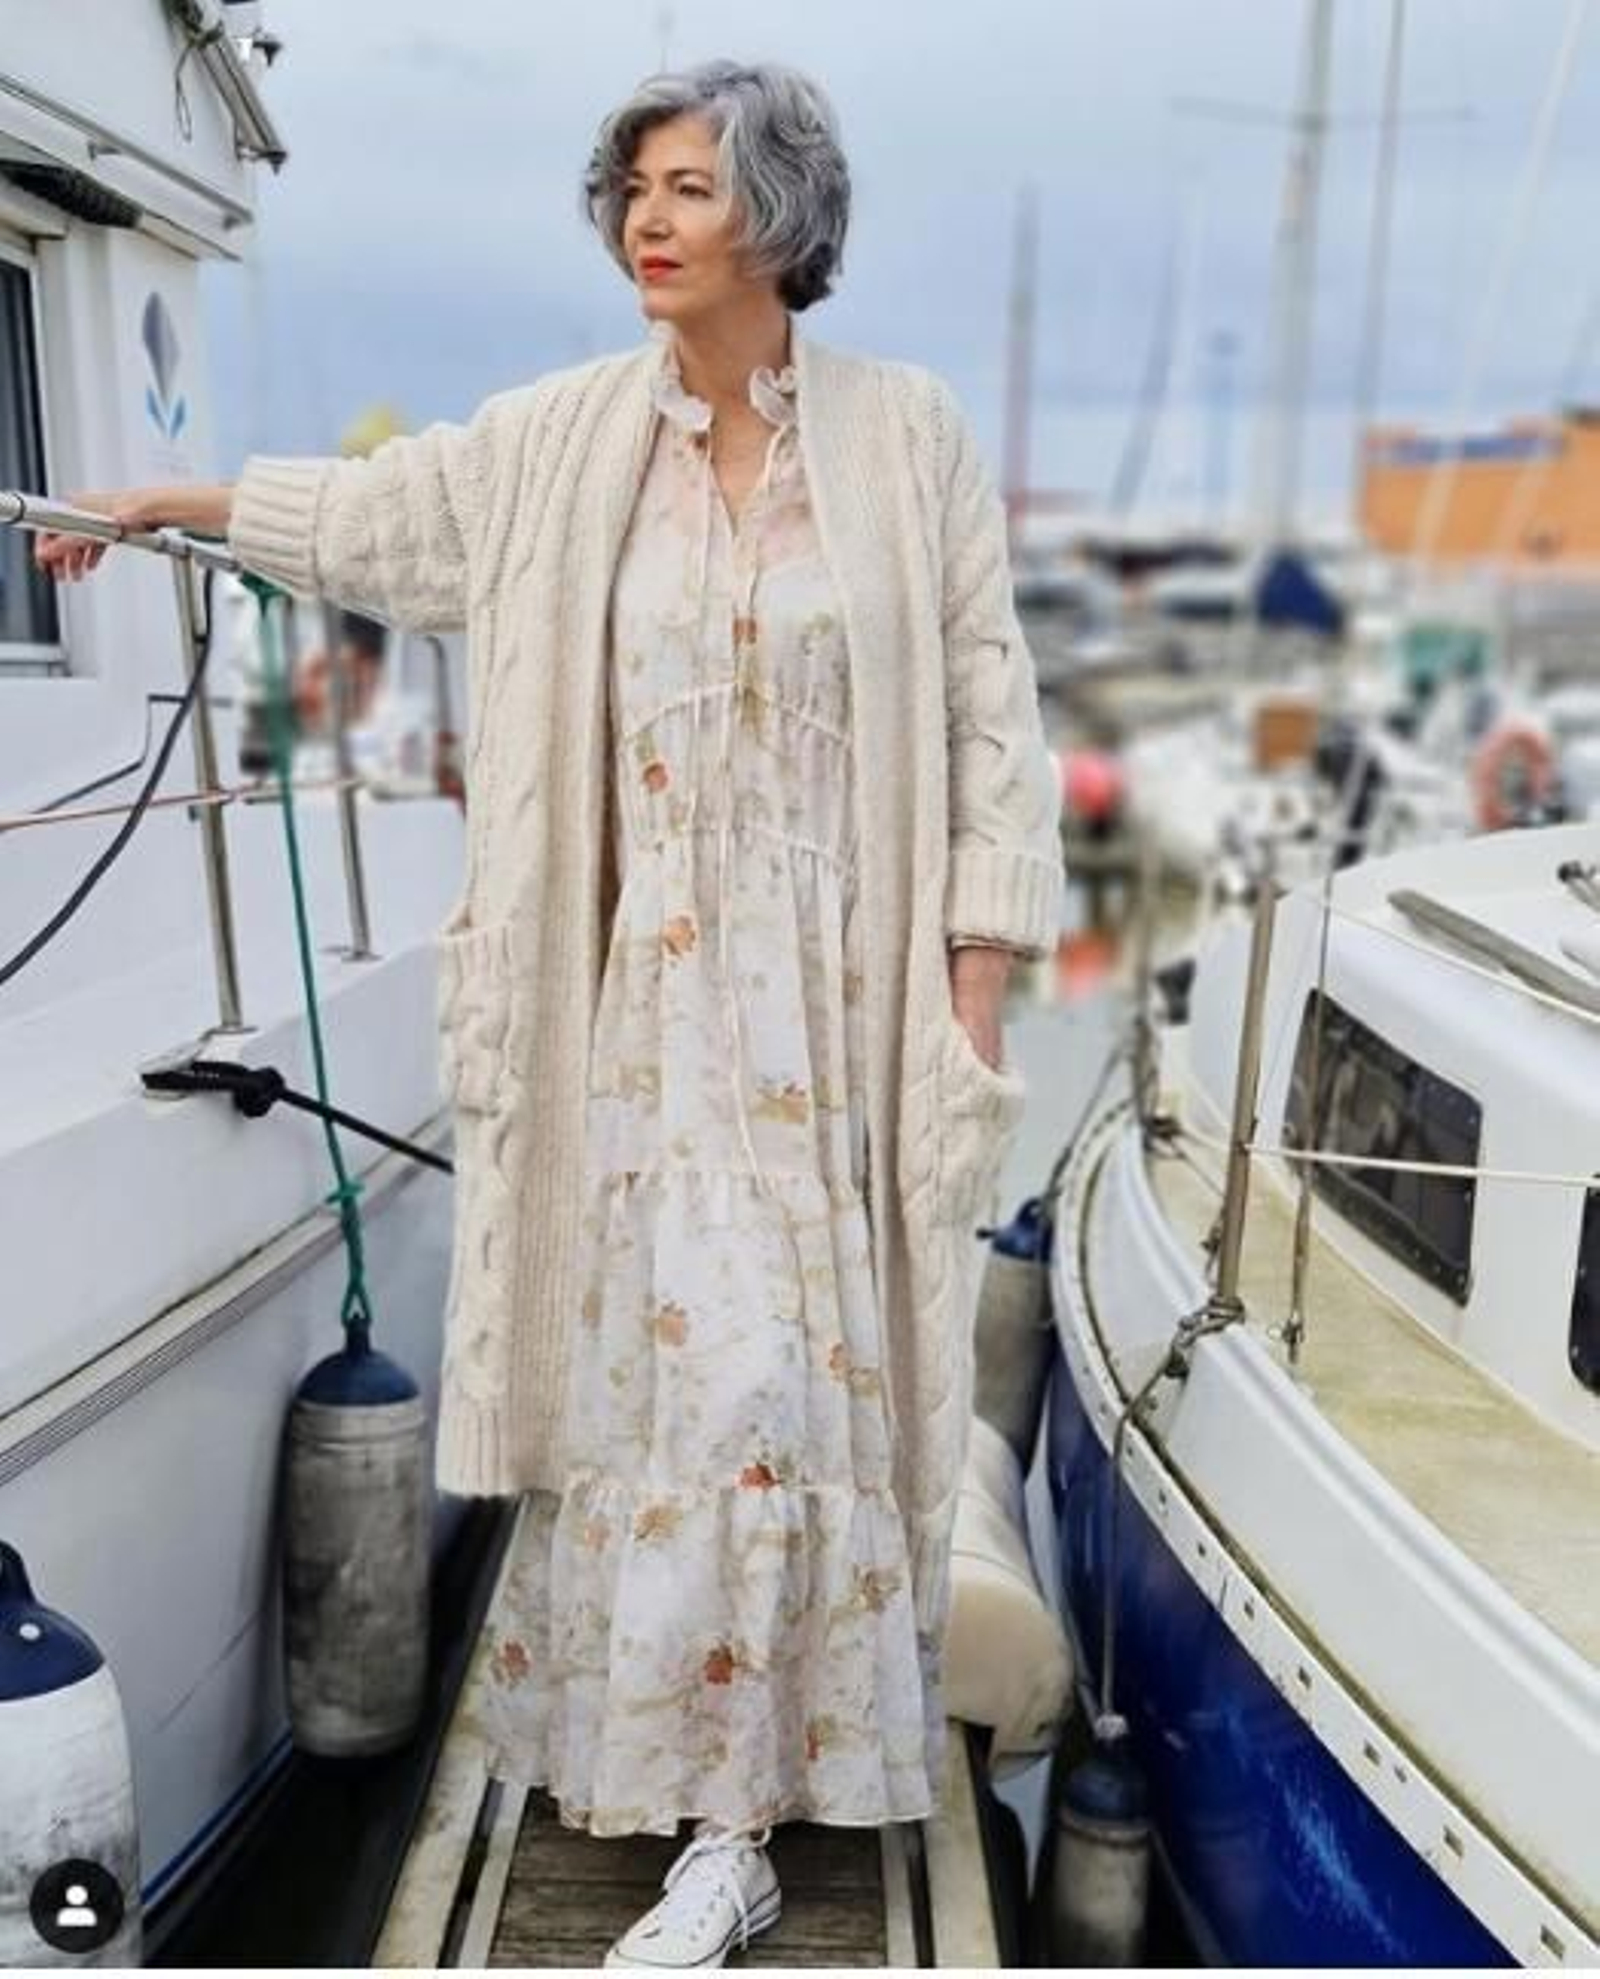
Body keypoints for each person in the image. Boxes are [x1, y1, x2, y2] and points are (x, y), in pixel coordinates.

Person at [35, 58, 1064, 1969]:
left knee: (794, 1393)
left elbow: (991, 717)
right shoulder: (567, 438)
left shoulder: (903, 441)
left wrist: (973, 988)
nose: (646, 222)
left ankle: (745, 1814)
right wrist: (156, 494)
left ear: (776, 212)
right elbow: (374, 520)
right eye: (631, 193)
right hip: (637, 1011)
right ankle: (712, 1815)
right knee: (683, 1391)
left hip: (837, 1014)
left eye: (685, 188)